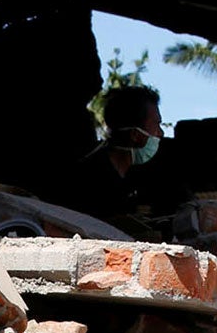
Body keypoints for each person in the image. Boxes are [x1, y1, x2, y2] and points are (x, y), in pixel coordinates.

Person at [61, 83, 166, 227]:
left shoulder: (141, 176)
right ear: (135, 134)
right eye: (157, 125)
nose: (160, 133)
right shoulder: (89, 178)